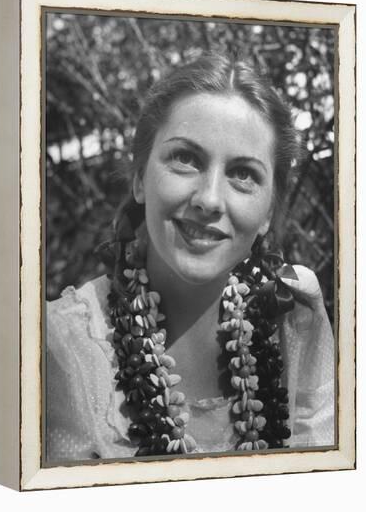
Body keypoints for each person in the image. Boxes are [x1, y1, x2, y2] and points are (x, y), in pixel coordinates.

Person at [46, 53, 335, 462]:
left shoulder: (294, 319)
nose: (210, 199)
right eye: (185, 159)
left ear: (269, 212)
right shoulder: (63, 347)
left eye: (243, 174)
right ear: (140, 177)